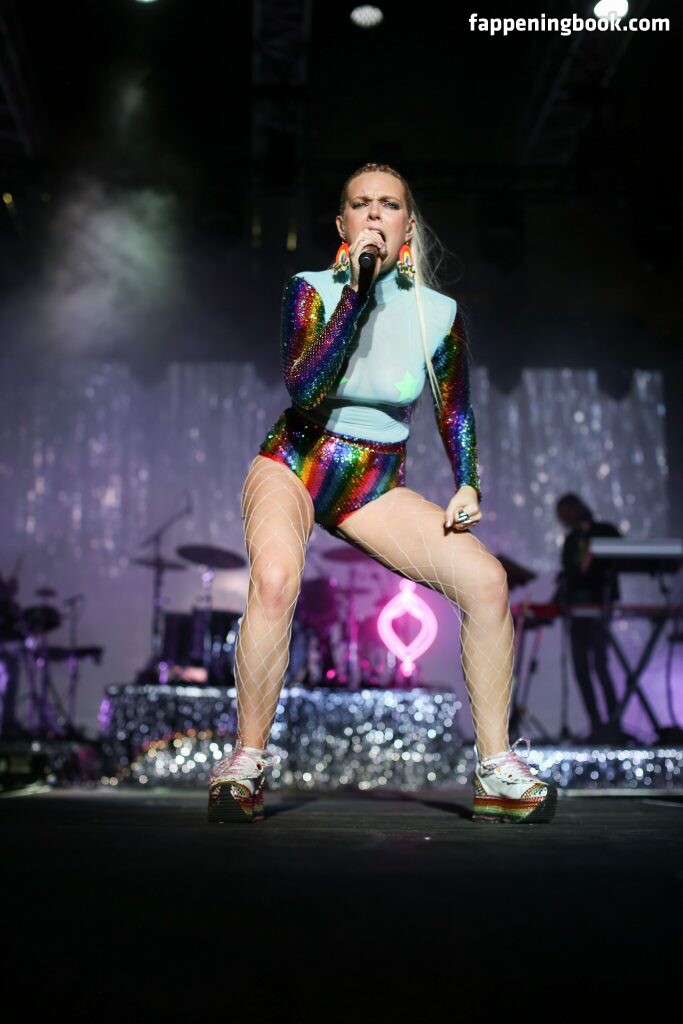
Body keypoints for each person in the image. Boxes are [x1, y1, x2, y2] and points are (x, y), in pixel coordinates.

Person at [208, 162, 557, 825]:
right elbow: (306, 389)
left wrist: (467, 480)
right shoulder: (309, 289)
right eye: (361, 203)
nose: (374, 213)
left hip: (371, 483)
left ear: (408, 226)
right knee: (276, 581)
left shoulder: (437, 314)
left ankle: (495, 770)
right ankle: (245, 762)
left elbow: (454, 409)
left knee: (486, 581)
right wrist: (358, 293)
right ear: (342, 223)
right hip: (294, 461)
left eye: (388, 204)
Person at [554, 493, 623, 742]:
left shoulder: (604, 531)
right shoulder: (572, 540)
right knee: (581, 668)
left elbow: (620, 559)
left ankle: (614, 725)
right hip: (576, 611)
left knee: (600, 666)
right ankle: (597, 725)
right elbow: (568, 573)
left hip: (599, 606)